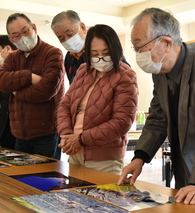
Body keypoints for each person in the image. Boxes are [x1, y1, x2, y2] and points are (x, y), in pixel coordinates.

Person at [118, 7, 195, 204]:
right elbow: (158, 118)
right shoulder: (159, 69)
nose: (137, 54)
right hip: (184, 165)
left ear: (166, 43)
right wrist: (139, 157)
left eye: (139, 46)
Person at [57, 24, 138, 175]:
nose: (100, 58)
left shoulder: (126, 75)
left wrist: (81, 139)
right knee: (74, 197)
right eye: (94, 53)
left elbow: (121, 122)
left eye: (105, 52)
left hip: (104, 158)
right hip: (75, 153)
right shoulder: (83, 70)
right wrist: (67, 134)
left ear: (115, 50)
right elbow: (65, 105)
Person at [0, 13, 65, 159]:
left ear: (34, 27)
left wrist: (17, 92)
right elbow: (1, 81)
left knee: (45, 178)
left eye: (25, 31)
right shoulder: (13, 57)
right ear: (11, 39)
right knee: (21, 179)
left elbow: (46, 90)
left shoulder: (53, 53)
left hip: (46, 132)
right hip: (19, 133)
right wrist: (29, 76)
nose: (22, 38)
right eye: (16, 35)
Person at [51, 10, 130, 85]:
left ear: (82, 27)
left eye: (70, 34)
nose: (67, 40)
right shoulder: (69, 57)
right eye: (61, 38)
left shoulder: (103, 50)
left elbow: (126, 78)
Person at [0, 35, 17, 149]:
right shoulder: (0, 71)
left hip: (19, 126)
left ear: (7, 48)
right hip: (4, 124)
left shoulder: (21, 68)